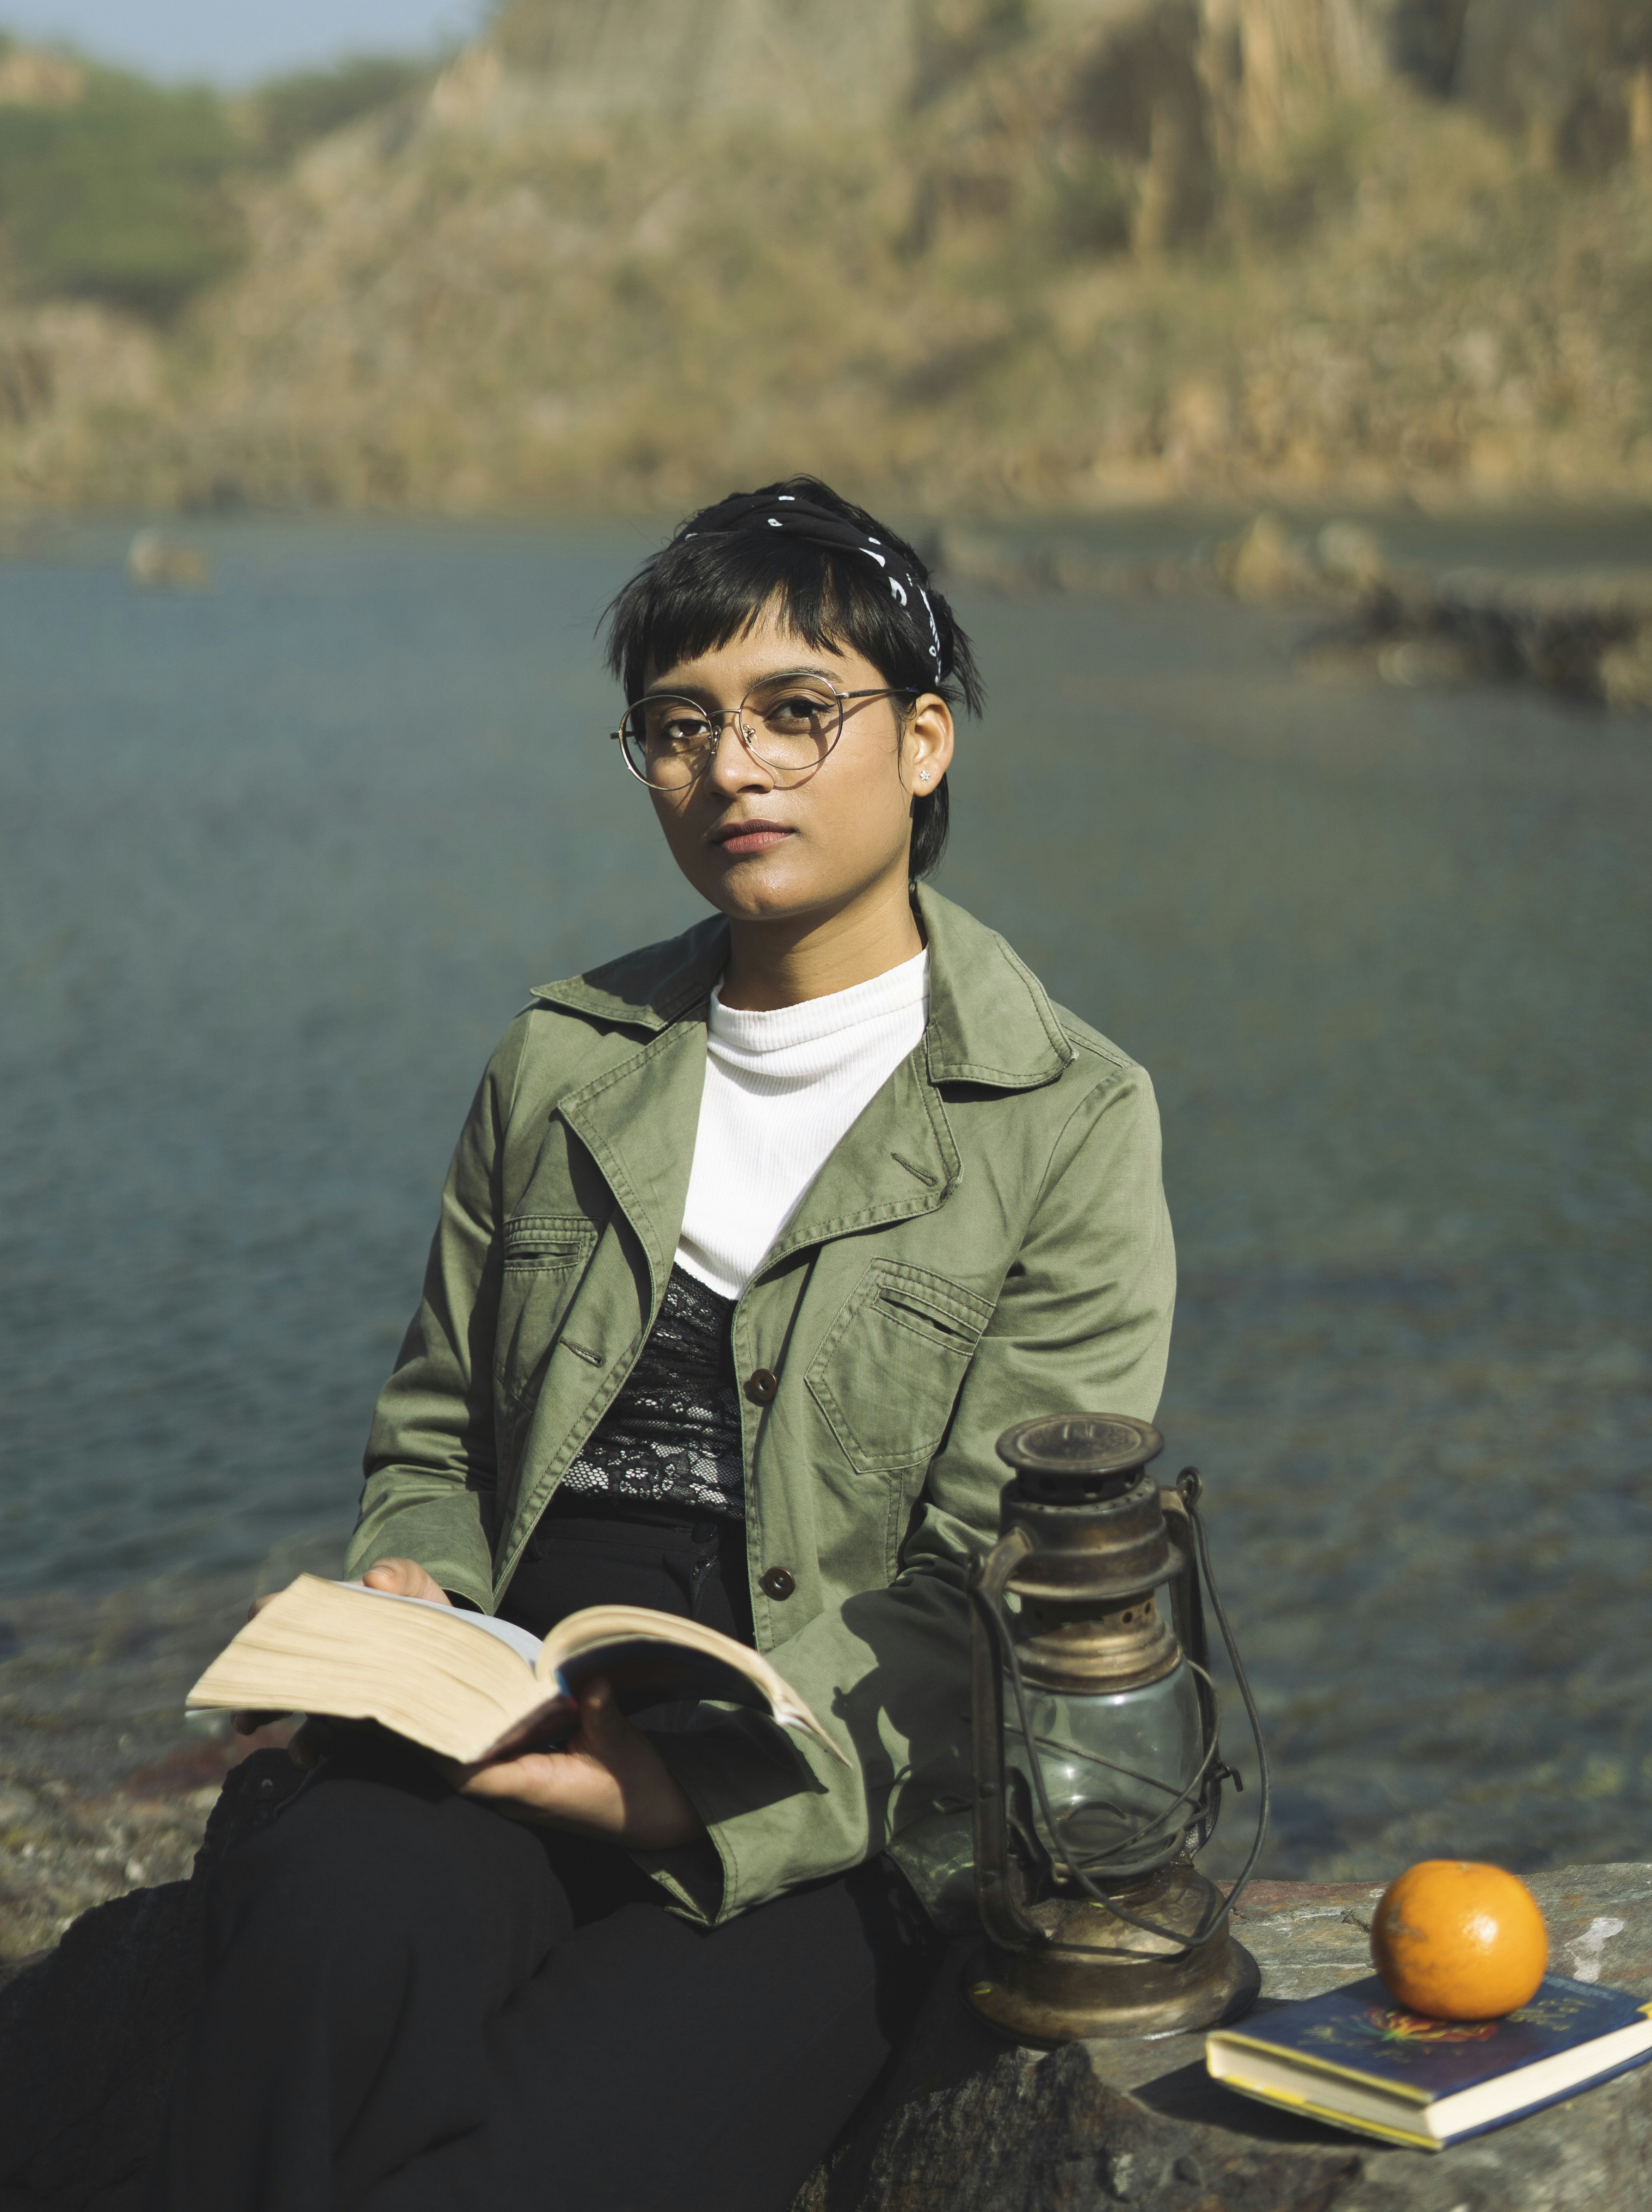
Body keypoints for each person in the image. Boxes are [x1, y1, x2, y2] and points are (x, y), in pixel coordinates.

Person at [154, 478, 1175, 2212]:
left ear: (924, 743)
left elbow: (996, 1588)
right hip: (503, 1703)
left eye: (800, 714)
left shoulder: (1063, 1118)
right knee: (321, 1946)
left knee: (510, 2162)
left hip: (813, 1804)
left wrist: (663, 1797)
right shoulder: (561, 1061)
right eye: (680, 727)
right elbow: (435, 1437)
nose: (735, 771)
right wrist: (409, 1593)